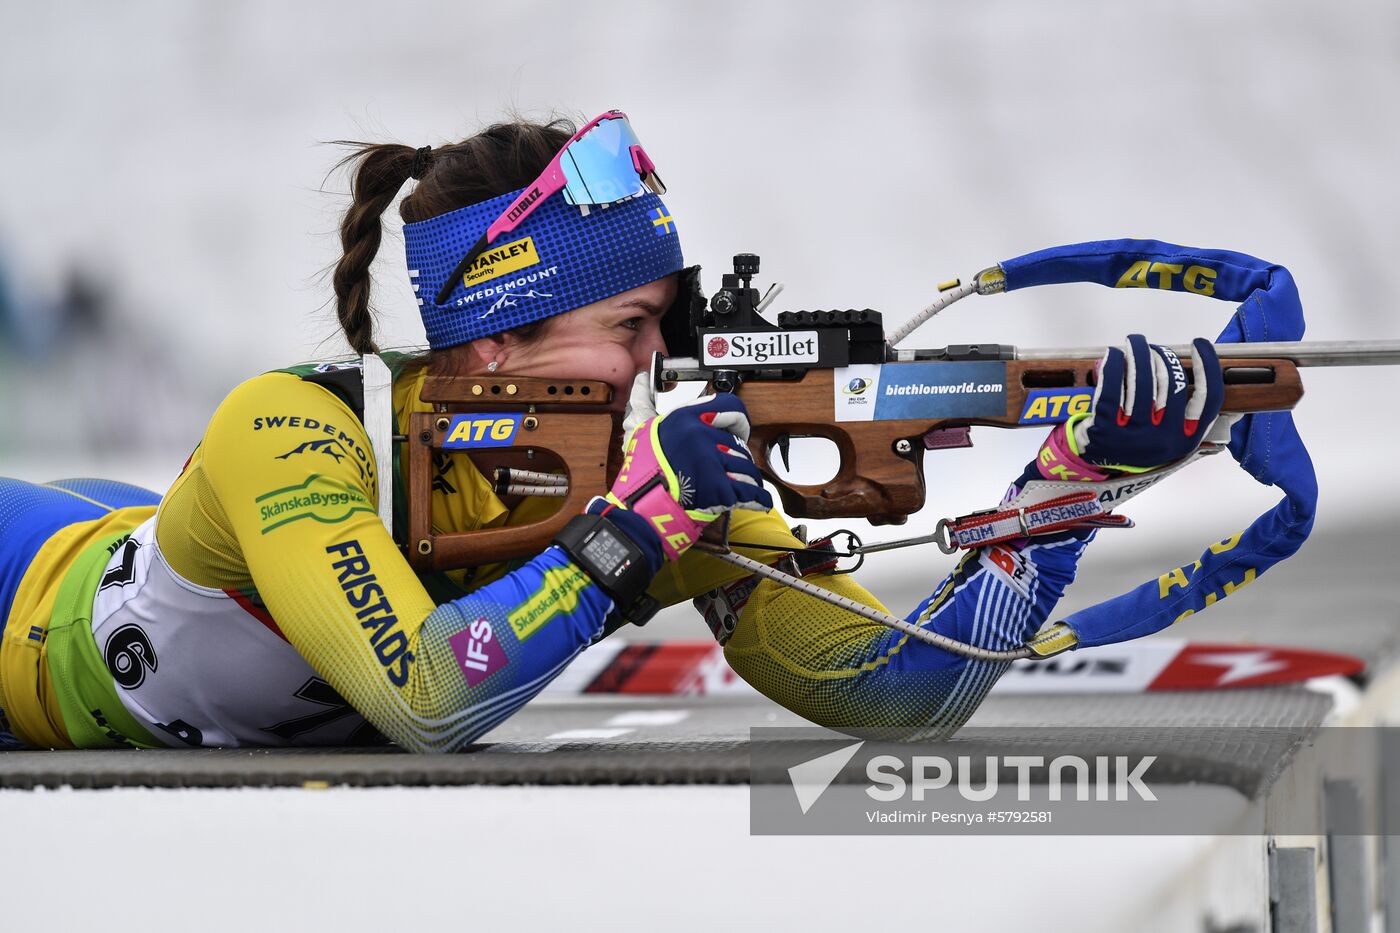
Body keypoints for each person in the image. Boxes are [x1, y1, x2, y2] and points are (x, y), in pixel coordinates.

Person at [0, 110, 1225, 752]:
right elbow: (427, 701)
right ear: (494, 339)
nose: (662, 361)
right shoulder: (291, 430)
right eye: (634, 322)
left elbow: (892, 698)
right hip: (23, 590)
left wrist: (1065, 491)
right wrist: (630, 535)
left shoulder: (646, 478)